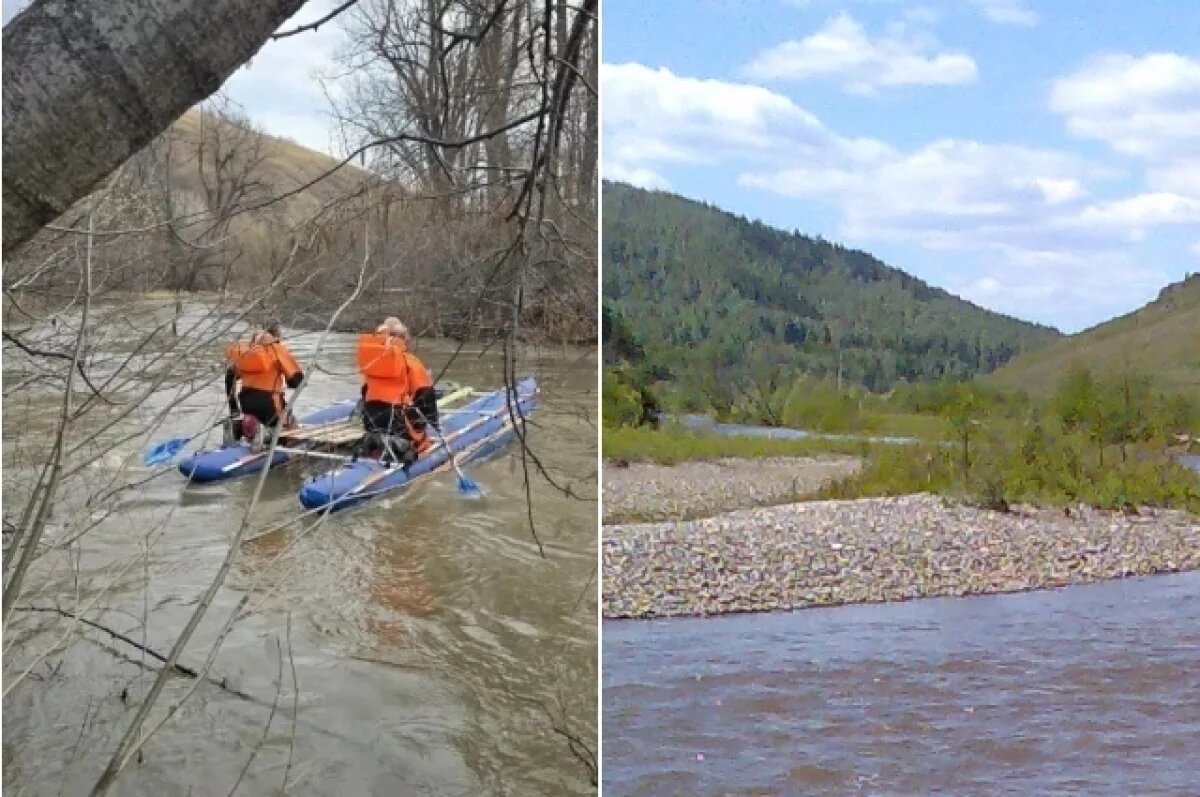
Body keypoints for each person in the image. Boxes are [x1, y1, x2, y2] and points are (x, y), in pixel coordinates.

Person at [354, 317, 439, 465]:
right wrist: (433, 423)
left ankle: (377, 444)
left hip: (371, 420)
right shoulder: (410, 361)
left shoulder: (373, 362)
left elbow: (365, 392)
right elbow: (426, 396)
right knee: (420, 434)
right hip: (398, 423)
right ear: (403, 338)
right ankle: (415, 448)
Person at [224, 321, 305, 446]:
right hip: (270, 404)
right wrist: (288, 380)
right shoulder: (278, 349)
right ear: (276, 334)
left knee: (257, 418)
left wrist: (233, 408)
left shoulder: (248, 352)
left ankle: (240, 428)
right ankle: (267, 435)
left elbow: (229, 376)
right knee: (289, 430)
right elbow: (297, 381)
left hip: (246, 403)